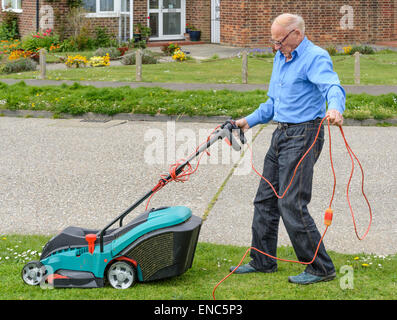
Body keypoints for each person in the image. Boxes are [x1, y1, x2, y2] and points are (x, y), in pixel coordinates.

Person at [232, 13, 345, 284]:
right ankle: (262, 261)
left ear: (296, 33)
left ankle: (321, 268)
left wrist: (335, 108)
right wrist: (245, 122)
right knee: (265, 200)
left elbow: (332, 86)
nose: (275, 46)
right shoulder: (280, 57)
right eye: (273, 41)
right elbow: (273, 102)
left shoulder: (315, 57)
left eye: (279, 41)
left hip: (304, 134)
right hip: (281, 133)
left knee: (291, 202)